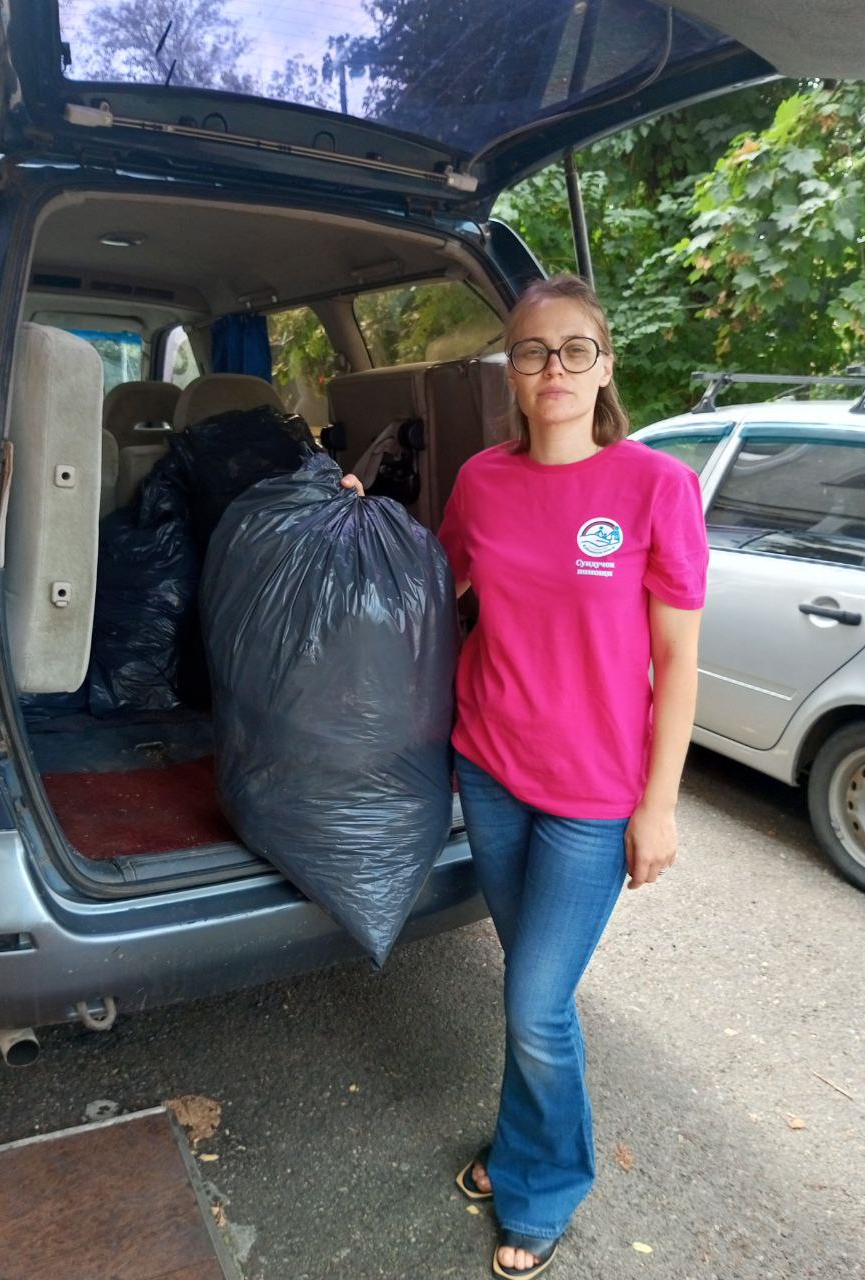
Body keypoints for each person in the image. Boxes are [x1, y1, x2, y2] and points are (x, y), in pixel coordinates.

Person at [342, 272, 707, 1279]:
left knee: (536, 1001)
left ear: (603, 365)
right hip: (491, 768)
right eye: (532, 350)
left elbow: (677, 659)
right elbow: (430, 587)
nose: (552, 367)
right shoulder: (485, 482)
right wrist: (351, 526)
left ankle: (545, 1184)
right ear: (511, 369)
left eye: (572, 349)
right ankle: (518, 1151)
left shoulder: (653, 487)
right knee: (528, 991)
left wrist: (661, 804)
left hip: (594, 799)